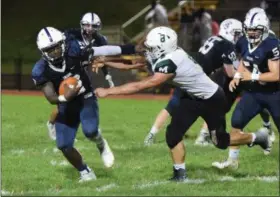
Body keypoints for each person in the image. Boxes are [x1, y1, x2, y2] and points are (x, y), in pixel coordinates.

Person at [94, 26, 271, 181]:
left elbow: (144, 84)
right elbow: (135, 63)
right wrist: (106, 61)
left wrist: (109, 91)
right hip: (191, 97)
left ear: (162, 48)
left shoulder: (171, 61)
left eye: (152, 48)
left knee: (220, 141)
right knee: (173, 135)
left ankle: (257, 138)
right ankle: (180, 175)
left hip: (212, 99)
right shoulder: (167, 54)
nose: (148, 51)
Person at [32, 27, 136, 181]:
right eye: (50, 50)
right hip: (66, 105)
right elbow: (50, 97)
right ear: (43, 51)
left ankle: (101, 143)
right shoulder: (40, 69)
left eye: (57, 47)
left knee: (90, 131)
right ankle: (85, 172)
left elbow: (103, 50)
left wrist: (133, 48)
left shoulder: (74, 49)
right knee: (63, 145)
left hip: (86, 97)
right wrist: (65, 98)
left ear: (63, 43)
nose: (55, 52)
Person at [212, 12, 279, 170]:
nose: (251, 33)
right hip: (254, 92)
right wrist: (237, 76)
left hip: (275, 94)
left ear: (265, 29)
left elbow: (276, 74)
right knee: (236, 123)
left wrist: (252, 76)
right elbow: (244, 61)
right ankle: (232, 161)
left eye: (255, 30)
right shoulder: (243, 41)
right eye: (248, 30)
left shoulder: (272, 44)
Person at [46, 12, 115, 141]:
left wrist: (107, 76)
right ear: (82, 25)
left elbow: (101, 60)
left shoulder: (100, 40)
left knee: (85, 100)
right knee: (63, 104)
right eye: (87, 25)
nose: (90, 28)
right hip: (67, 72)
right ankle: (51, 123)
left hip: (83, 73)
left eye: (94, 26)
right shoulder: (71, 35)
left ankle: (89, 125)